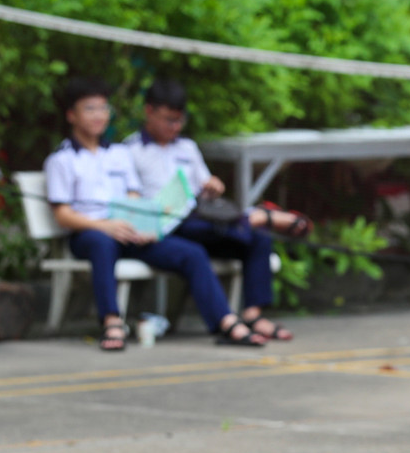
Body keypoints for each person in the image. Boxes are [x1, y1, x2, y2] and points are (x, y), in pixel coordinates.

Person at [43, 77, 264, 350]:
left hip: (130, 232)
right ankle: (112, 322)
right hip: (90, 233)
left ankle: (226, 322)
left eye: (102, 108)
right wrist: (105, 226)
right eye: (90, 109)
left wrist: (141, 223)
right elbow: (62, 215)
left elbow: (134, 196)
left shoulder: (119, 154)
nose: (98, 115)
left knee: (192, 253)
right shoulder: (62, 160)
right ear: (71, 115)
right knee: (102, 245)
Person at [125, 79, 303, 340]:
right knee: (198, 240)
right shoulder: (129, 150)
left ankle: (253, 315)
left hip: (199, 222)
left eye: (179, 120)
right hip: (163, 229)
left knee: (258, 240)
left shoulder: (187, 148)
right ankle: (253, 218)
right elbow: (130, 201)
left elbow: (203, 188)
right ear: (148, 112)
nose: (174, 127)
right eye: (168, 120)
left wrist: (213, 187)